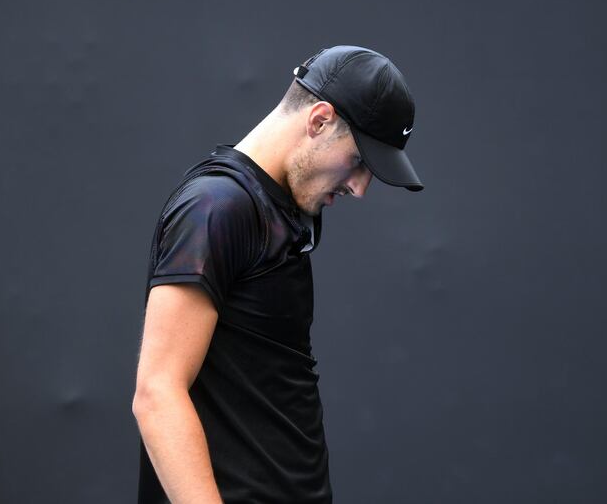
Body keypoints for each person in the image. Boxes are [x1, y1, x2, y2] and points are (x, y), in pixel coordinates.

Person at [132, 45, 424, 504]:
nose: (360, 188)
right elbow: (157, 394)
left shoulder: (279, 209)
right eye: (359, 161)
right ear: (319, 120)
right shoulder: (215, 207)